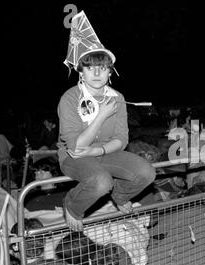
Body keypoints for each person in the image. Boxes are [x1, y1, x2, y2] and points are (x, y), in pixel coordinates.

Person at [58, 11, 156, 231]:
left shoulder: (117, 98)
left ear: (109, 72)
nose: (97, 73)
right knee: (102, 181)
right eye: (90, 67)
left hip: (103, 152)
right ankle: (72, 205)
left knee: (147, 172)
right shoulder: (70, 98)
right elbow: (74, 148)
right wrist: (101, 115)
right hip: (72, 157)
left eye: (102, 67)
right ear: (80, 71)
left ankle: (120, 197)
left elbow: (121, 139)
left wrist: (98, 151)